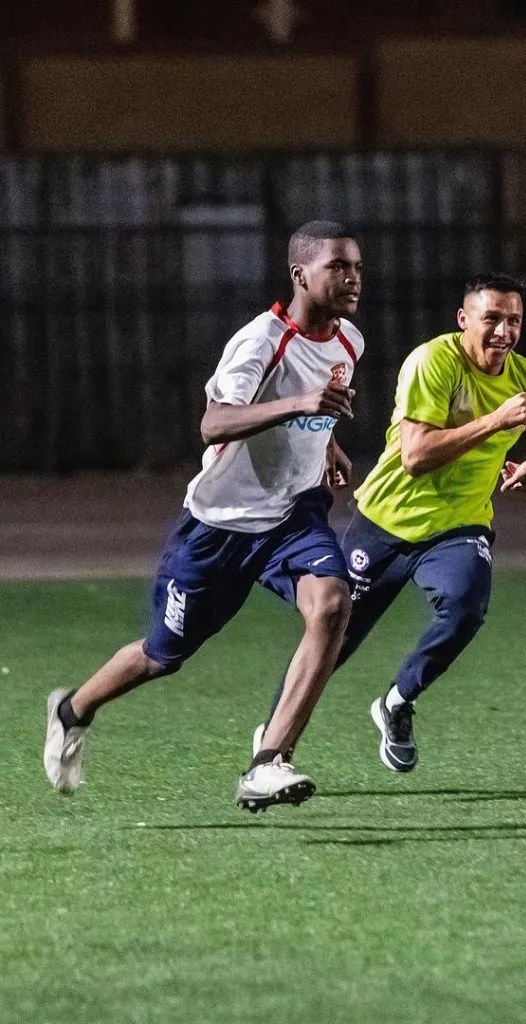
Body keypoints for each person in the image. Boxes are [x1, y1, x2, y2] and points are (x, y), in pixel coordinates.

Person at [44, 220, 365, 811]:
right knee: (162, 656)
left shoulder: (349, 341)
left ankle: (270, 759)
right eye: (337, 267)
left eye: (356, 267)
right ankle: (72, 710)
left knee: (333, 605)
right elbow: (214, 423)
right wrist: (299, 404)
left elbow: (311, 417)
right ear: (300, 275)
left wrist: (328, 445)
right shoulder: (261, 341)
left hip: (294, 515)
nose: (351, 278)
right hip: (219, 527)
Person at [256, 272, 526, 772]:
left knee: (465, 606)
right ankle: (271, 741)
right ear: (464, 320)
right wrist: (495, 422)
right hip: (385, 522)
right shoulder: (434, 362)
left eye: (514, 321)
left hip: (459, 525)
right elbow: (415, 456)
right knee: (333, 639)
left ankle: (397, 701)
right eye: (493, 319)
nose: (504, 332)